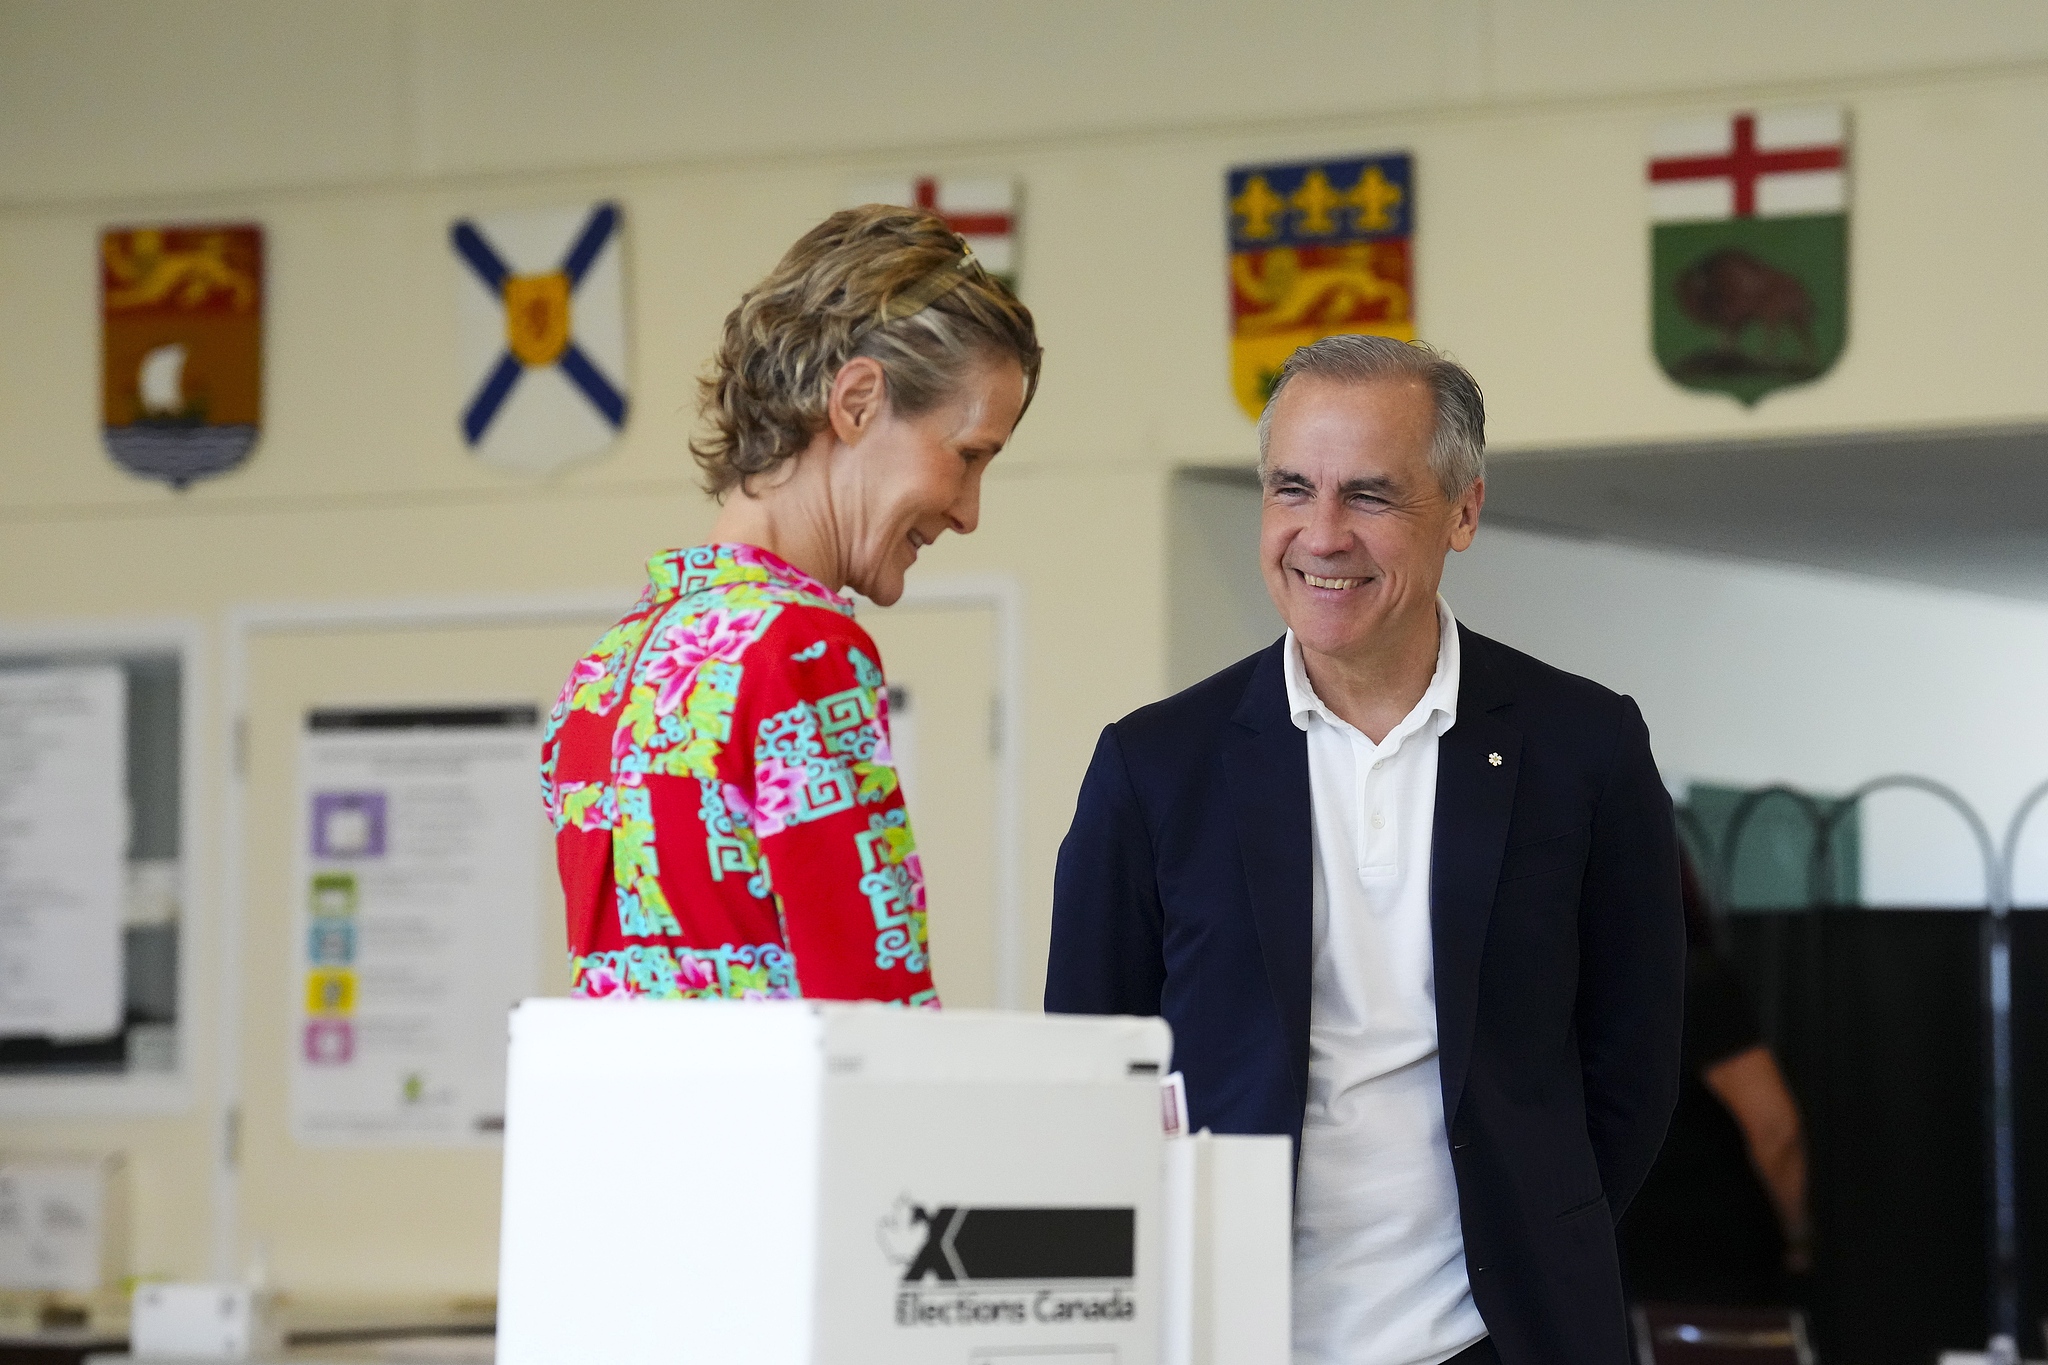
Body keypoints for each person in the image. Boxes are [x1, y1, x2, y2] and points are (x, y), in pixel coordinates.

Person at [1046, 334, 1685, 1365]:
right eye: (1289, 489)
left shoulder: (1583, 747)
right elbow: (1089, 1063)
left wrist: (1539, 1239)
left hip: (1496, 1339)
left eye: (1370, 497)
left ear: (1463, 511)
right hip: (1228, 1334)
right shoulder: (1154, 765)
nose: (1320, 534)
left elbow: (1635, 1058)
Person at [541, 205, 1039, 1005]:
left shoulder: (608, 671)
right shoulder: (800, 649)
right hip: (782, 1129)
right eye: (968, 455)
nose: (969, 509)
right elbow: (870, 1001)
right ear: (857, 402)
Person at [1620, 852, 1810, 1305]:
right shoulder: (1694, 981)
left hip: (1614, 1254)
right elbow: (1774, 1129)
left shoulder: (1573, 990)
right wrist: (1799, 1235)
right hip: (1715, 1259)